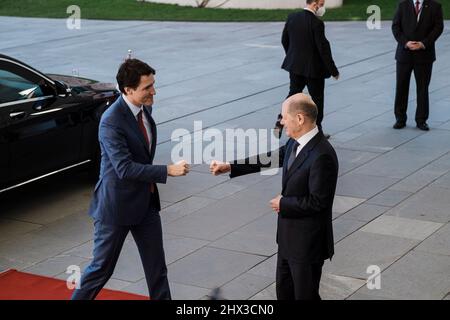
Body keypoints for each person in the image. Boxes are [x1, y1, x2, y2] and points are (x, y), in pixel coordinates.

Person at [71, 59, 190, 300]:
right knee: (101, 270)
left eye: (153, 85)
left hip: (146, 204)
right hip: (116, 207)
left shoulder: (145, 108)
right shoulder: (111, 121)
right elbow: (124, 168)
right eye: (147, 87)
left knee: (157, 268)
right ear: (128, 90)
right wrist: (167, 170)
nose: (153, 91)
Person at [211, 93, 338, 300]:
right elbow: (269, 158)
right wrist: (231, 166)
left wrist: (283, 203)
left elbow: (319, 202)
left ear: (299, 119)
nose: (280, 121)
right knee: (285, 294)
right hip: (288, 240)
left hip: (307, 245)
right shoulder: (294, 143)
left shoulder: (321, 154)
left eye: (283, 116)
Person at [275, 0, 339, 139]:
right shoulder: (317, 23)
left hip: (296, 66)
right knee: (317, 101)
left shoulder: (292, 17)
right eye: (321, 4)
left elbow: (284, 40)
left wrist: (292, 56)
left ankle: (280, 123)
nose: (322, 7)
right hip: (314, 70)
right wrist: (333, 70)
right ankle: (317, 133)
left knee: (292, 95)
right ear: (315, 4)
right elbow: (323, 49)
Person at [392, 0, 444, 131]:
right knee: (401, 87)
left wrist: (423, 43)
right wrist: (405, 43)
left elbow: (438, 28)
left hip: (424, 54)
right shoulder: (402, 5)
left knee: (422, 88)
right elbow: (395, 27)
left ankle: (421, 120)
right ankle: (400, 118)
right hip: (404, 53)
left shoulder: (435, 6)